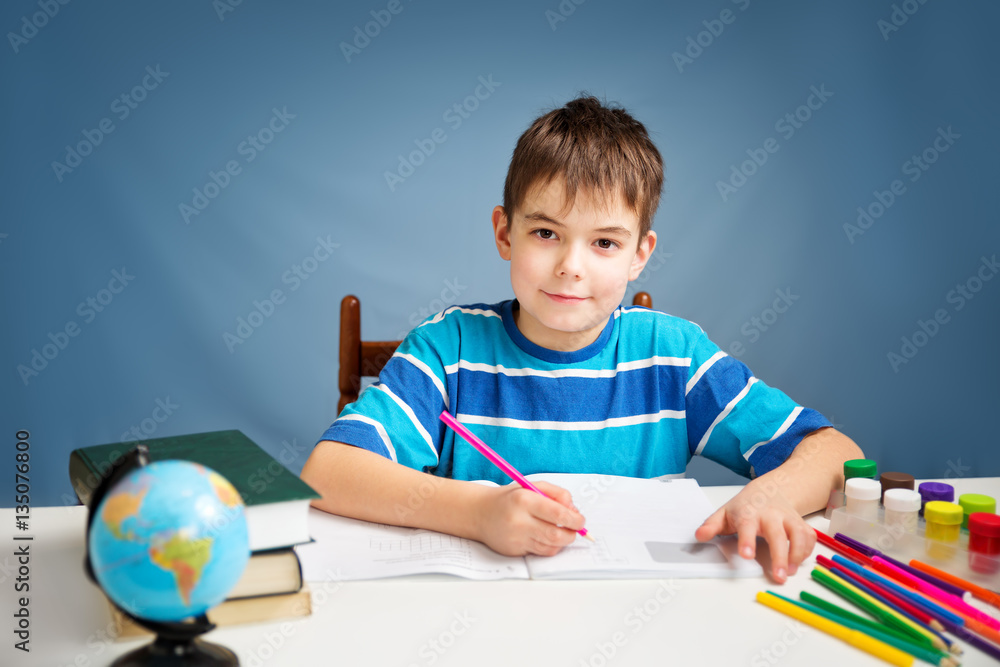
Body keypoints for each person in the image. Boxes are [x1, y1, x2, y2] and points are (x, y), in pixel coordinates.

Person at [301, 95, 863, 583]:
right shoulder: (449, 349)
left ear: (640, 254)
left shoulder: (673, 356)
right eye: (546, 233)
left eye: (604, 243)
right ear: (505, 232)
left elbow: (837, 455)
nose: (571, 267)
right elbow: (328, 472)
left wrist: (771, 494)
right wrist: (477, 513)